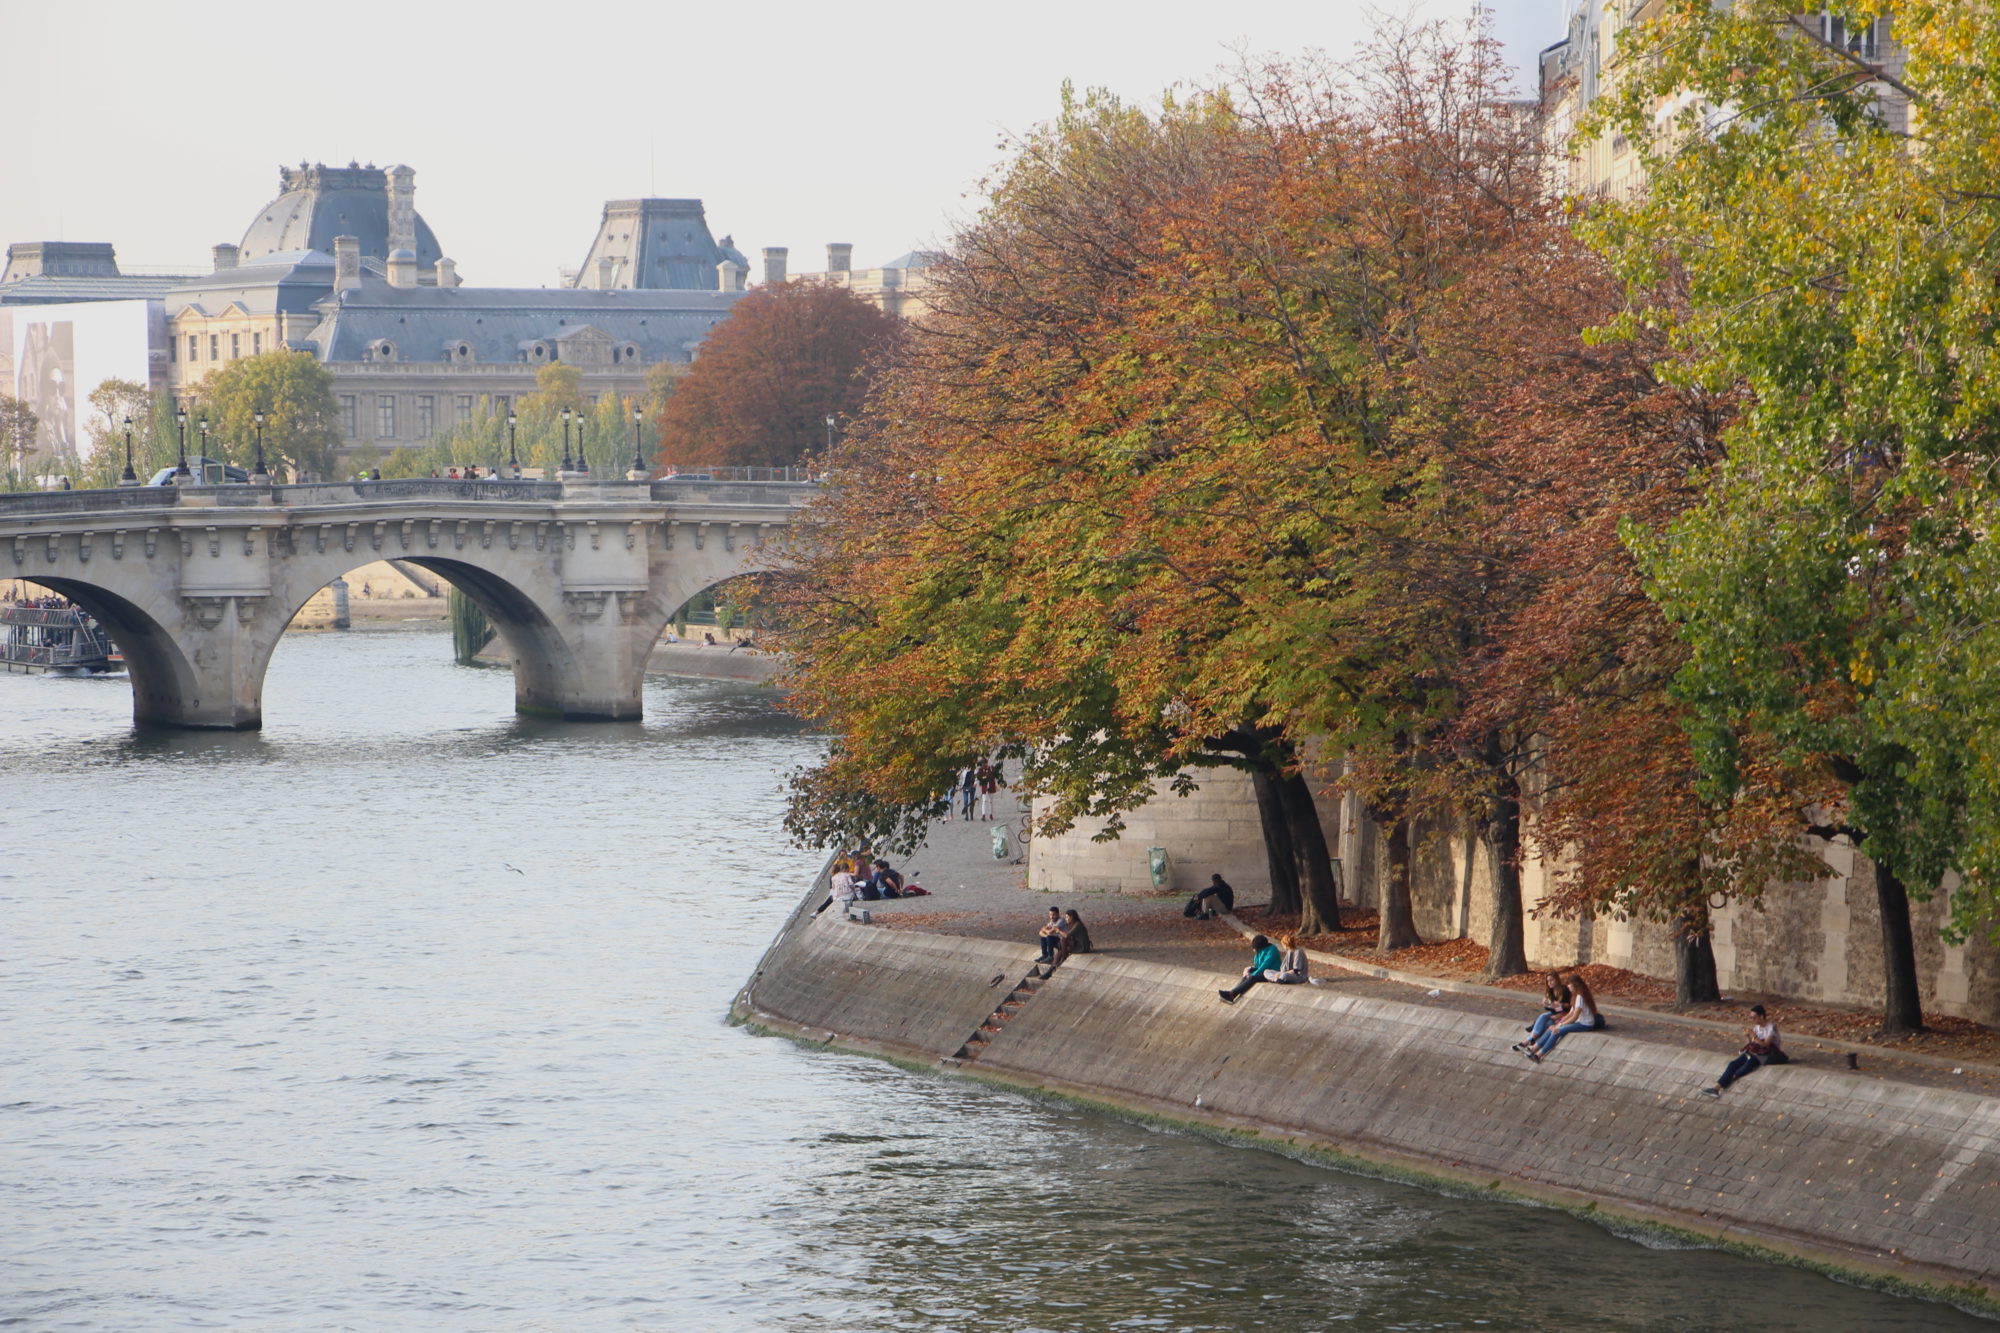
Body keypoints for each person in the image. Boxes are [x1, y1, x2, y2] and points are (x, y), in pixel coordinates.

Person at [1699, 1005, 1787, 1098]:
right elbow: (1751, 1044)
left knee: (1749, 1063)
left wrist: (1754, 1036)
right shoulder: (1757, 1027)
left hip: (1768, 1053)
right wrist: (1748, 1036)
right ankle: (1716, 1088)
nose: (1753, 1020)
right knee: (1733, 1064)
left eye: (1754, 1017)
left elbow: (1766, 1044)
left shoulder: (1771, 1028)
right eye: (1751, 1017)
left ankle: (1729, 1079)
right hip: (1757, 1051)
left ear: (1761, 1016)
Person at [1524, 971, 1605, 1061]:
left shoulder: (1580, 997)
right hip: (1579, 1022)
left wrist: (1560, 1026)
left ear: (1575, 985)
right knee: (1551, 1028)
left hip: (1585, 1024)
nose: (1568, 987)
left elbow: (1574, 1017)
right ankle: (1534, 1048)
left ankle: (1539, 1055)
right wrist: (1559, 1023)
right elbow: (1570, 1013)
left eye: (1569, 985)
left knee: (1557, 1031)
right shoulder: (1574, 997)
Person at [1511, 972, 1573, 1054]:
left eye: (1552, 980)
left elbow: (1569, 1006)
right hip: (1554, 1013)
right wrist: (1547, 1004)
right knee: (1547, 1022)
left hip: (1564, 1014)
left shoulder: (1564, 990)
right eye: (1548, 981)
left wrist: (1560, 1004)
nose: (1549, 983)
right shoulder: (1550, 991)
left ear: (1557, 980)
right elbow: (1549, 1008)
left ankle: (1527, 1042)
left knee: (1543, 1017)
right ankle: (1529, 1042)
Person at [1219, 933, 1283, 1003]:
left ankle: (1232, 993)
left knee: (1252, 978)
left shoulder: (1272, 950)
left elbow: (1265, 966)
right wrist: (1249, 970)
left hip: (1271, 973)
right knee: (1248, 974)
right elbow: (1257, 965)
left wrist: (1253, 974)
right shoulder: (1259, 952)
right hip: (1262, 971)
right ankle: (1233, 993)